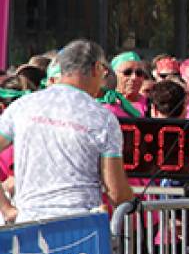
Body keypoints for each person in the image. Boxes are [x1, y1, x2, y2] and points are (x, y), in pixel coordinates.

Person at [0, 40, 135, 224]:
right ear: (96, 68)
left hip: (29, 223)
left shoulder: (23, 106)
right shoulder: (102, 118)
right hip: (80, 226)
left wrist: (6, 208)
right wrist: (133, 202)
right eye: (104, 71)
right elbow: (116, 192)